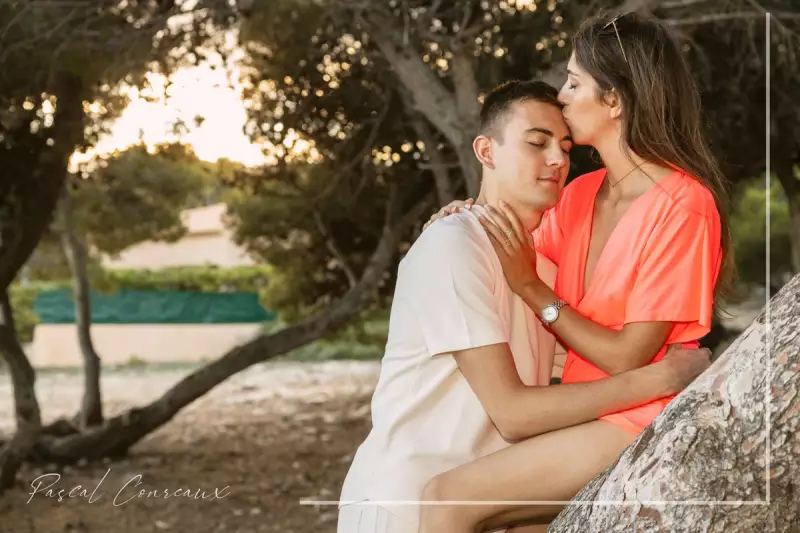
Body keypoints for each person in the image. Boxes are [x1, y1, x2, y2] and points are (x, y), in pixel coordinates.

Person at [336, 79, 712, 533]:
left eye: (565, 146)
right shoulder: (453, 247)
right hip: (404, 506)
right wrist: (656, 380)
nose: (557, 159)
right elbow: (513, 414)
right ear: (486, 151)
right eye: (536, 143)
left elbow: (577, 369)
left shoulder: (547, 273)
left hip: (490, 510)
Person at [417, 12, 732, 533]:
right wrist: (463, 217)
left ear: (614, 101)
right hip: (578, 415)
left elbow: (631, 354)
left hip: (637, 416)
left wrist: (532, 289)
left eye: (574, 81)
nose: (561, 96)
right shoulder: (579, 195)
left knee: (443, 500)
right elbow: (509, 249)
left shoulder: (684, 205)